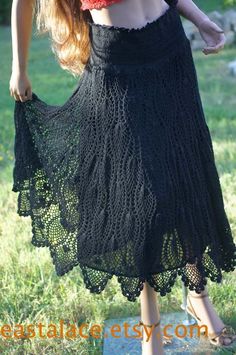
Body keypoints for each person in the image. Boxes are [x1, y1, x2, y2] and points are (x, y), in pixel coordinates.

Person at [9, 0, 236, 353]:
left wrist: (201, 19)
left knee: (187, 180)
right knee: (143, 201)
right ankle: (151, 330)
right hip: (118, 62)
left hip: (170, 46)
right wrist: (19, 67)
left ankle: (199, 298)